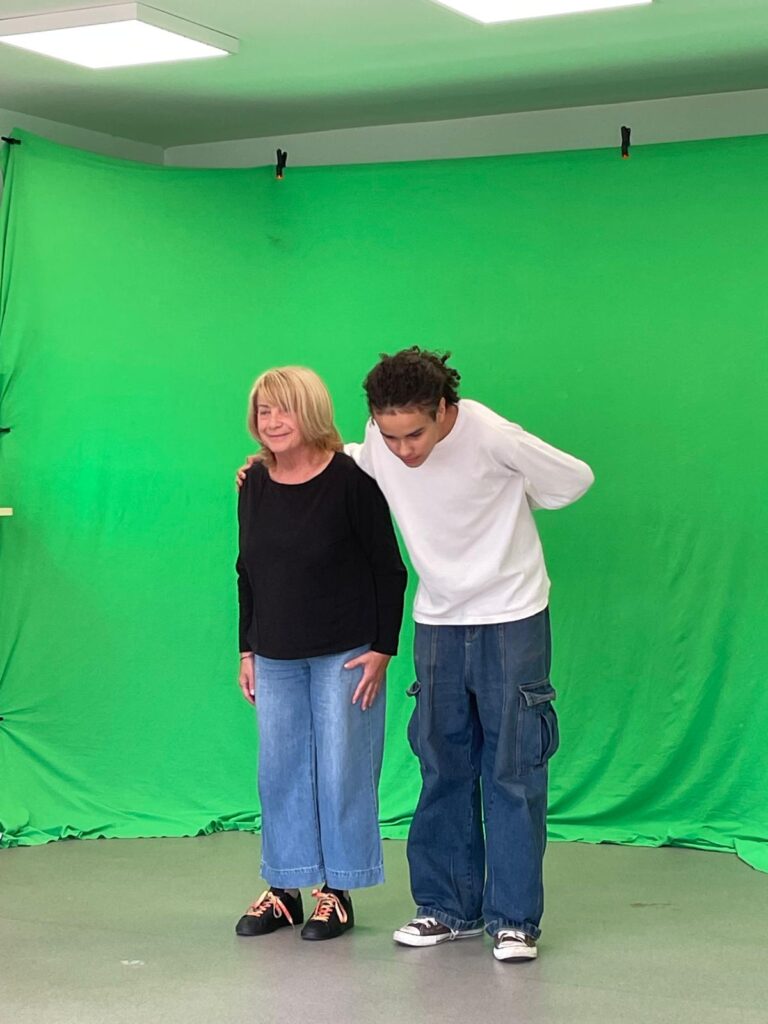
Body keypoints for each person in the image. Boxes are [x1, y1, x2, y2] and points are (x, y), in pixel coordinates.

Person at [238, 347, 593, 962]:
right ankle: (448, 908)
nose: (403, 449)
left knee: (511, 769)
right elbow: (341, 460)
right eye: (390, 435)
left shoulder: (490, 434)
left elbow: (574, 478)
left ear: (444, 410)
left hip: (511, 616)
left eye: (415, 435)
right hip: (438, 620)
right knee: (442, 765)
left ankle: (514, 920)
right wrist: (264, 463)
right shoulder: (377, 448)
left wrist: (513, 496)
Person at [234, 365, 407, 943]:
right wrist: (247, 648)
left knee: (342, 771)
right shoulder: (253, 484)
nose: (272, 421)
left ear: (310, 412)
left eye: (284, 409)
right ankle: (284, 889)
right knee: (279, 772)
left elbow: (388, 569)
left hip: (346, 654)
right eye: (264, 411)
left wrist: (383, 648)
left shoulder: (352, 481)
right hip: (275, 654)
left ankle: (338, 891)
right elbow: (248, 570)